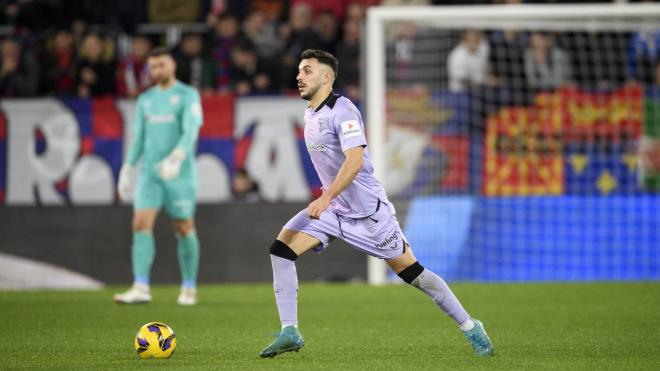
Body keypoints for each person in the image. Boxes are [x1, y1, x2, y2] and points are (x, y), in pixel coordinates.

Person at [258, 49, 494, 358]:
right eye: (300, 70)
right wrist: (329, 200)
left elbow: (355, 161)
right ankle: (290, 331)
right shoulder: (310, 113)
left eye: (308, 71)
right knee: (281, 249)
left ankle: (470, 326)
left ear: (327, 77)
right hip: (334, 211)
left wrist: (325, 196)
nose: (299, 76)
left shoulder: (343, 110)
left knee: (414, 274)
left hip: (369, 214)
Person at [113, 47, 203, 306]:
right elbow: (139, 137)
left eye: (161, 65)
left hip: (179, 174)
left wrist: (177, 157)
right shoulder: (146, 99)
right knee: (140, 224)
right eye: (153, 67)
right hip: (151, 174)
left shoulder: (187, 95)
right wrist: (128, 167)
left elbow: (191, 130)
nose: (157, 71)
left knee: (184, 227)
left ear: (172, 65)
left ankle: (189, 286)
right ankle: (140, 286)